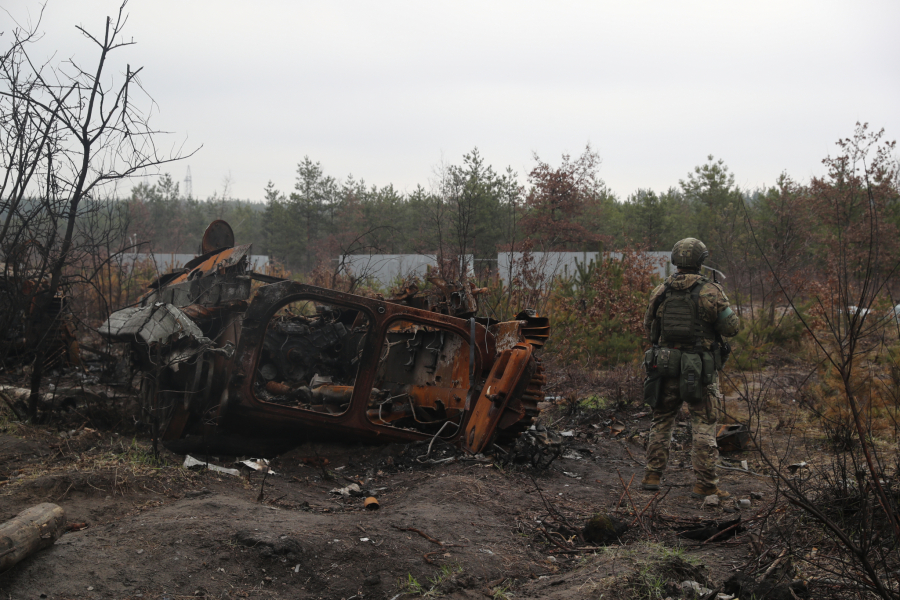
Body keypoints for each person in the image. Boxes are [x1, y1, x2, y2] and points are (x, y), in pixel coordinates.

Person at [640, 238, 740, 499]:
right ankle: (705, 485)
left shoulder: (660, 290)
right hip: (700, 370)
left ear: (676, 260)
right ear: (701, 260)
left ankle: (652, 475)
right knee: (704, 425)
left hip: (665, 366)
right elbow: (732, 328)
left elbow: (648, 326)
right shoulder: (711, 291)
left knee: (661, 421)